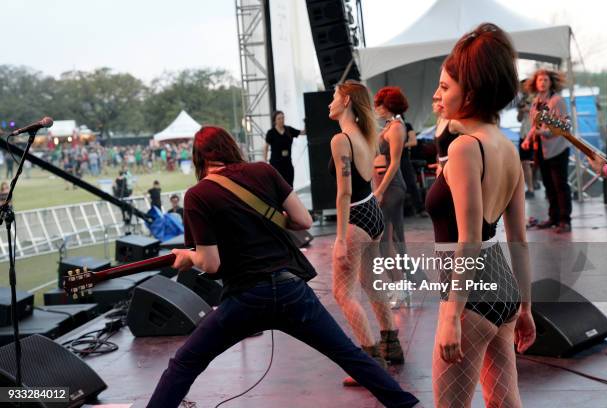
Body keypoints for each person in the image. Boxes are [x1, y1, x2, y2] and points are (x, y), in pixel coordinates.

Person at [146, 126, 419, 408]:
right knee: (349, 355)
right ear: (231, 148)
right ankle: (409, 405)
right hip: (291, 290)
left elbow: (211, 263)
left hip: (244, 299)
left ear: (198, 158)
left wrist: (189, 258)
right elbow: (303, 221)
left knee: (184, 364)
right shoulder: (264, 171)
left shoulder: (198, 195)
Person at [425, 23, 536, 407]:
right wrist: (525, 306)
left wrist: (451, 313)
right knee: (505, 402)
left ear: (469, 92)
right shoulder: (505, 147)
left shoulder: (465, 150)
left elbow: (469, 239)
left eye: (444, 87)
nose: (437, 95)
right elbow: (518, 240)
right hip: (502, 289)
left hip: (469, 295)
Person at [328, 80, 405, 387]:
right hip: (372, 212)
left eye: (334, 97)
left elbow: (344, 193)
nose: (329, 103)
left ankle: (371, 361)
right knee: (372, 283)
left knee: (342, 292)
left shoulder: (341, 139)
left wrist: (340, 239)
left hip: (357, 216)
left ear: (346, 100)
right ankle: (391, 345)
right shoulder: (366, 134)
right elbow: (370, 179)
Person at [521, 69, 572, 233]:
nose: (542, 82)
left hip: (557, 149)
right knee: (548, 185)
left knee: (560, 185)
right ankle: (553, 217)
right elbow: (535, 126)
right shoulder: (536, 101)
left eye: (545, 80)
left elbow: (565, 126)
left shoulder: (557, 101)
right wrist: (528, 139)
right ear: (535, 83)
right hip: (541, 149)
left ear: (551, 83)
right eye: (540, 80)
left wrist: (544, 133)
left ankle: (565, 220)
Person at [373, 87, 410, 308]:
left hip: (392, 188)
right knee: (390, 241)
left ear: (389, 105)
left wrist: (380, 191)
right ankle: (401, 285)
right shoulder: (388, 126)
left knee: (387, 242)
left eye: (379, 104)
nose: (376, 108)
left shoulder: (396, 128)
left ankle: (400, 286)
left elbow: (395, 162)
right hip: (386, 187)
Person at [263, 110, 305, 186]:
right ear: (275, 121)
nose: (281, 120)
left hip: (287, 163)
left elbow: (303, 132)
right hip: (276, 164)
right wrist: (265, 161)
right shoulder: (271, 132)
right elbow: (266, 147)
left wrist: (306, 123)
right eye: (279, 118)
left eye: (282, 118)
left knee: (289, 185)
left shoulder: (288, 129)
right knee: (278, 186)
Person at [517, 79, 535, 198]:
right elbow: (519, 119)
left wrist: (528, 109)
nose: (523, 88)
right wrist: (521, 111)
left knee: (532, 162)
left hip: (535, 133)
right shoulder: (522, 100)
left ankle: (533, 185)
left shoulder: (536, 98)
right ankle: (530, 188)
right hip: (524, 133)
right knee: (524, 162)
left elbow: (541, 114)